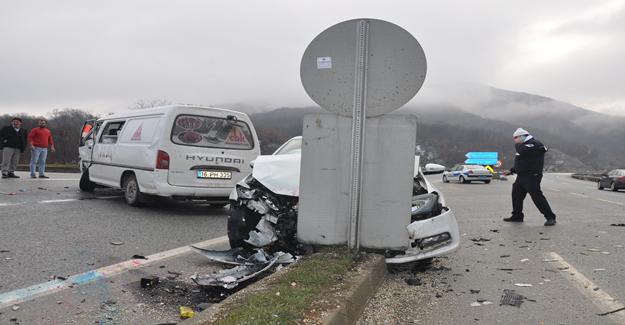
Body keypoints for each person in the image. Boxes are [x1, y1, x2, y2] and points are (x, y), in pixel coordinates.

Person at [503, 128, 557, 226]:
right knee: (516, 195)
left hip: (532, 176)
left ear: (523, 136)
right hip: (522, 176)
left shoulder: (534, 144)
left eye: (516, 137)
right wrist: (512, 170)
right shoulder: (523, 145)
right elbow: (522, 162)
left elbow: (523, 152)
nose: (514, 140)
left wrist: (517, 144)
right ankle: (517, 215)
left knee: (537, 196)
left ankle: (550, 217)